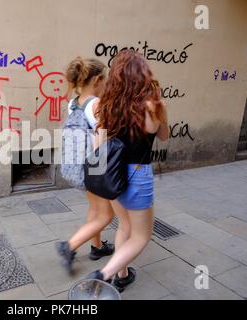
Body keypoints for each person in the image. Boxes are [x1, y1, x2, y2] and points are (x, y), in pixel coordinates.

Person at [86, 50, 169, 292]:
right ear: (143, 74)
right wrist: (161, 108)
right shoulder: (152, 105)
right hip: (138, 175)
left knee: (124, 226)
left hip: (112, 175)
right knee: (141, 236)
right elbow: (163, 136)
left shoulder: (105, 105)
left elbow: (98, 146)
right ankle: (105, 274)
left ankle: (123, 275)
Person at [56, 57, 116, 271]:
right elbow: (103, 140)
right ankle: (69, 246)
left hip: (77, 167)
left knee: (95, 208)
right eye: (106, 80)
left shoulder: (73, 103)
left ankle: (97, 246)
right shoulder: (97, 105)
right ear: (98, 79)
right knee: (107, 214)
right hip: (94, 168)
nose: (107, 84)